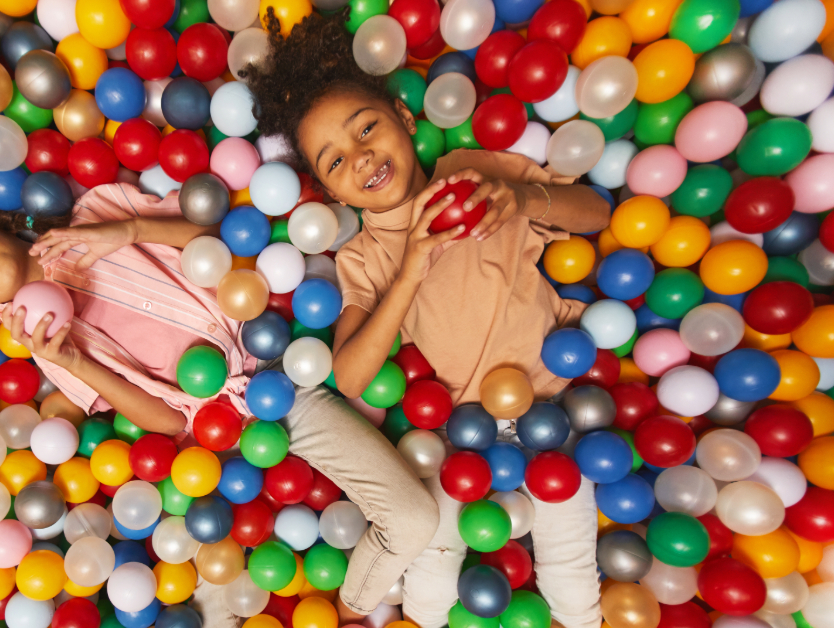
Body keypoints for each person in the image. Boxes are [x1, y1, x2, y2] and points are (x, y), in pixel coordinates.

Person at [0, 183, 442, 626]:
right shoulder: (50, 352)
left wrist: (127, 231)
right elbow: (165, 422)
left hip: (294, 337)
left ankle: (350, 610)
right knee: (218, 556)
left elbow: (223, 233)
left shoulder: (97, 207)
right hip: (238, 424)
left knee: (412, 518)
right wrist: (73, 360)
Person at [240, 10, 612, 628]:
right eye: (334, 163)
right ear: (333, 196)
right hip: (459, 435)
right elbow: (353, 377)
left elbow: (595, 212)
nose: (360, 158)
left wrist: (520, 198)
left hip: (554, 414)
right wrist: (410, 265)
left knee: (574, 583)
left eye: (367, 129)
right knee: (430, 584)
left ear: (406, 120)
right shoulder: (363, 257)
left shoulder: (478, 175)